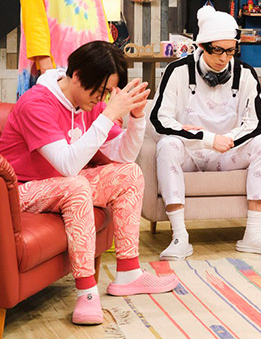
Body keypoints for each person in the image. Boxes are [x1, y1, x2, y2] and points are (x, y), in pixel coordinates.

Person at [0, 41, 179, 326]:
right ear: (77, 75)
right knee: (76, 185)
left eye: (108, 92)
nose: (102, 98)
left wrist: (136, 118)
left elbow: (123, 156)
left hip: (60, 184)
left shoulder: (87, 103)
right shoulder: (37, 103)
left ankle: (128, 272)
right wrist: (108, 115)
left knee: (129, 174)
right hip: (20, 191)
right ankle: (86, 292)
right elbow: (68, 165)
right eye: (100, 90)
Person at [150, 6, 261, 260]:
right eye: (217, 50)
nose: (223, 58)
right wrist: (206, 138)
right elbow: (159, 119)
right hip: (189, 153)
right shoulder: (177, 71)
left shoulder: (245, 74)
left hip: (227, 152)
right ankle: (180, 237)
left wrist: (228, 140)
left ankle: (254, 234)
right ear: (202, 46)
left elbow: (258, 123)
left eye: (230, 51)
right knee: (166, 145)